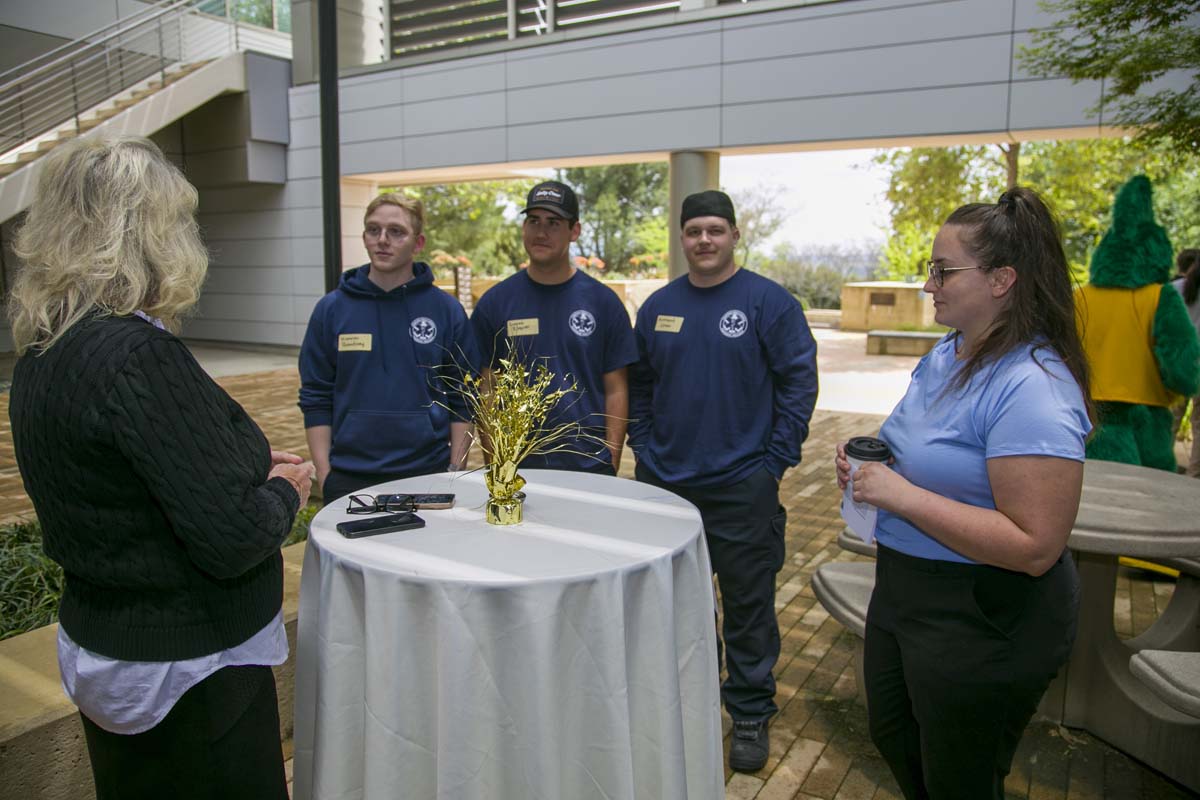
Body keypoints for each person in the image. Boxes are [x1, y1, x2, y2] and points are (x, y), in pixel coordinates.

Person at [7, 136, 314, 799]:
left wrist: (240, 461)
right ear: (150, 232)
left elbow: (128, 472)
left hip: (108, 646)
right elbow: (233, 536)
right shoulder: (138, 355)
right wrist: (285, 490)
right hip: (187, 670)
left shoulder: (45, 348)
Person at [835, 187, 1092, 799]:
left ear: (1002, 280)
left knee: (958, 779)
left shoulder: (1033, 387)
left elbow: (1035, 546)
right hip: (906, 589)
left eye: (943, 271)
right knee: (897, 738)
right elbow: (927, 447)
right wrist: (872, 461)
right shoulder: (946, 353)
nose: (929, 285)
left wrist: (900, 495)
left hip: (983, 611)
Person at [628, 190, 818, 772]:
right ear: (682, 238)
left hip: (742, 486)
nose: (704, 240)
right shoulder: (658, 307)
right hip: (668, 486)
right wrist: (645, 446)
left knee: (748, 605)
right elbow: (640, 386)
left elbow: (799, 383)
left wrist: (774, 462)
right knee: (677, 605)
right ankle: (692, 702)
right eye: (694, 231)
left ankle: (751, 711)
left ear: (734, 235)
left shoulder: (768, 303)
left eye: (715, 229)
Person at [299, 192, 478, 504]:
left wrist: (454, 470)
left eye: (396, 231)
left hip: (428, 472)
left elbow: (463, 398)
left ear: (418, 243)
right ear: (364, 237)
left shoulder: (445, 311)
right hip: (349, 474)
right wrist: (325, 474)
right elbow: (315, 396)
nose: (382, 240)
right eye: (374, 229)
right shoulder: (331, 310)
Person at [471, 180, 637, 474]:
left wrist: (611, 462)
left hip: (589, 467)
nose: (541, 232)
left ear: (575, 231)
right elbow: (487, 389)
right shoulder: (495, 303)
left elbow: (616, 389)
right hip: (518, 469)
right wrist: (496, 467)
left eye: (554, 223)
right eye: (533, 221)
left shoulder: (603, 303)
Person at [1172, 248, 1200, 473]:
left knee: (1170, 420)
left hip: (1178, 365)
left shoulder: (1174, 289)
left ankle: (1161, 469)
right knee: (1198, 424)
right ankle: (1195, 472)